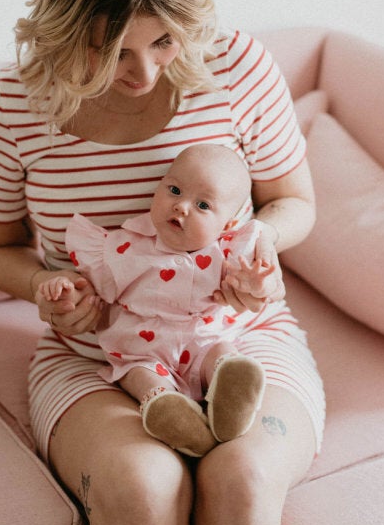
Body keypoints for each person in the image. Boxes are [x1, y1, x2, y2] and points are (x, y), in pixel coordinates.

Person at [0, 0, 325, 525]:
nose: (143, 70)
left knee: (245, 482)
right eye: (110, 50)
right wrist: (45, 285)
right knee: (143, 491)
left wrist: (260, 240)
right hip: (98, 353)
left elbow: (295, 202)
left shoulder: (237, 67)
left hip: (240, 334)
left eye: (163, 42)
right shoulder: (10, 107)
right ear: (62, 32)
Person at [40, 143, 281, 457]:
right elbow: (92, 289)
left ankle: (231, 385)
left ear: (228, 226)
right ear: (158, 188)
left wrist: (257, 282)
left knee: (221, 351)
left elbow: (251, 286)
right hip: (142, 349)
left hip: (203, 341)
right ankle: (167, 407)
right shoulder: (126, 246)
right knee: (140, 374)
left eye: (203, 205)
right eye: (175, 190)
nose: (181, 207)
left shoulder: (226, 253)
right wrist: (66, 290)